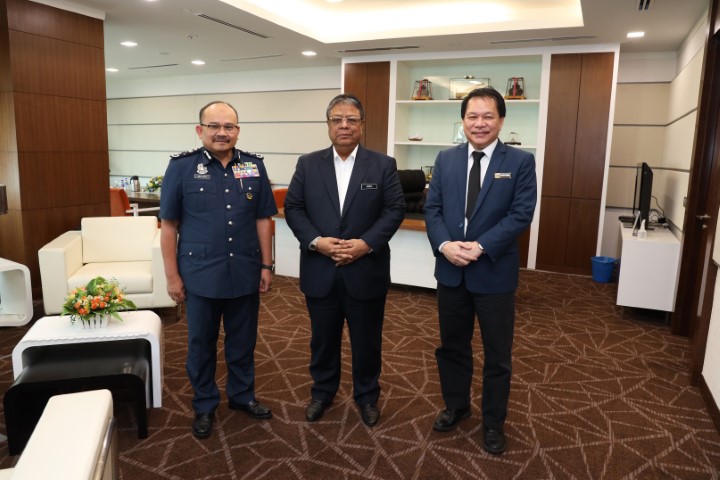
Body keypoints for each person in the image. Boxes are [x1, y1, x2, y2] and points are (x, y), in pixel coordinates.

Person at [423, 87, 537, 454]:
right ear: (463, 121)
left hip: (494, 273)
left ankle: (493, 422)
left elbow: (521, 213)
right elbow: (432, 209)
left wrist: (482, 246)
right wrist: (445, 244)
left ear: (501, 120)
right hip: (451, 271)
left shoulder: (520, 162)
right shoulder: (445, 159)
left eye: (488, 116)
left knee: (497, 355)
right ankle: (456, 406)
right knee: (452, 347)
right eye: (472, 116)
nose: (480, 123)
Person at [284, 94, 405, 427]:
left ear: (362, 124)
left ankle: (367, 396)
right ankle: (322, 392)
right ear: (328, 125)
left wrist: (366, 244)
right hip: (320, 269)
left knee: (367, 341)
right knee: (322, 339)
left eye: (351, 119)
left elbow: (394, 209)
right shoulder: (307, 164)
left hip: (366, 270)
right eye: (337, 119)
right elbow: (293, 207)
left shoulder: (382, 164)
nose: (344, 126)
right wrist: (316, 242)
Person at [159, 100, 277, 439]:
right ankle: (205, 404)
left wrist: (267, 265)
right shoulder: (181, 167)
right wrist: (172, 276)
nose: (221, 132)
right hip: (200, 274)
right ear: (200, 130)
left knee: (243, 342)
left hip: (245, 270)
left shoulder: (254, 166)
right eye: (214, 126)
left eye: (228, 127)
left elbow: (263, 219)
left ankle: (242, 396)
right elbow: (169, 226)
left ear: (238, 131)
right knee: (201, 345)